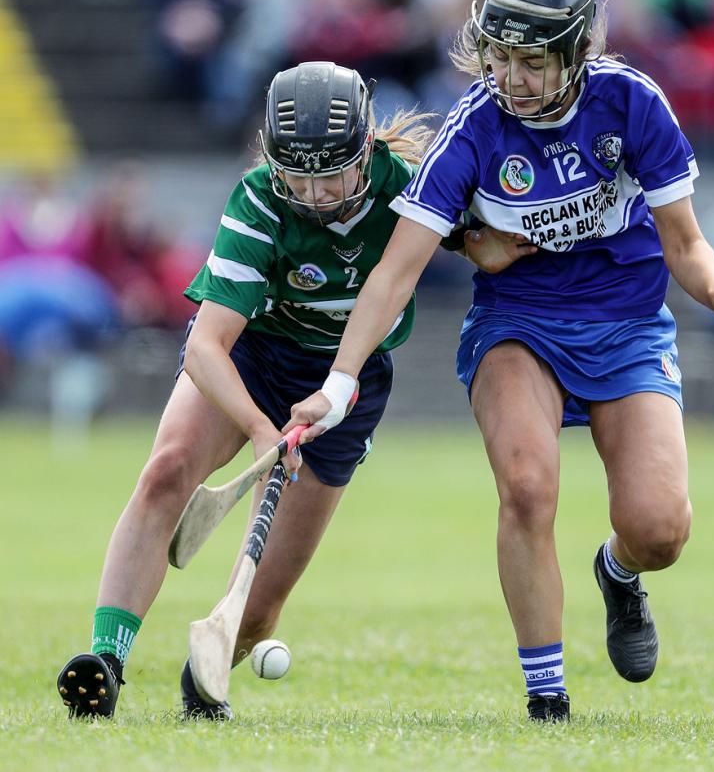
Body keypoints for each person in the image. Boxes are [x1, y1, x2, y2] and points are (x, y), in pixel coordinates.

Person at [285, 0, 714, 724]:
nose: (510, 78)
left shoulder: (631, 103)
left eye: (531, 61)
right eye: (499, 57)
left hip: (625, 326)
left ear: (576, 51)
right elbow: (394, 272)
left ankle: (617, 572)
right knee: (525, 487)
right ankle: (546, 695)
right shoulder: (473, 127)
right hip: (516, 325)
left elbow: (684, 242)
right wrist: (338, 382)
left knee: (658, 531)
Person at [55, 61, 527, 720]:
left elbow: (471, 235)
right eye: (297, 176)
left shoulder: (406, 187)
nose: (314, 193)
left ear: (365, 149)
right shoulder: (259, 202)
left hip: (350, 383)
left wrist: (486, 243)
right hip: (252, 355)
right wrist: (259, 428)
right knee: (166, 471)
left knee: (259, 608)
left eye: (330, 173)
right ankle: (105, 661)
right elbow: (206, 346)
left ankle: (204, 678)